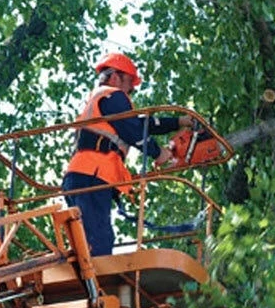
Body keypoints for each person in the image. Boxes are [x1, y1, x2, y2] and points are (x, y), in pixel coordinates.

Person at [62, 52, 194, 257]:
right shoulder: (112, 95)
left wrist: (178, 122)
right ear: (115, 76)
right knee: (99, 242)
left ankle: (90, 283)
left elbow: (141, 124)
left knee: (89, 241)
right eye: (130, 83)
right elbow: (132, 130)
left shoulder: (102, 101)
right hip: (92, 175)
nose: (131, 91)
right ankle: (96, 286)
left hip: (83, 175)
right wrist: (158, 153)